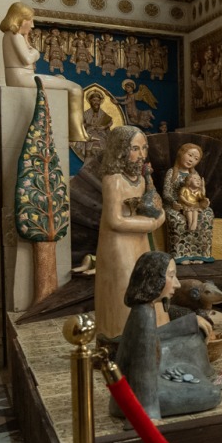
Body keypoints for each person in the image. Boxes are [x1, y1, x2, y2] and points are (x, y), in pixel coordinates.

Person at [110, 252, 221, 421]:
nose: (177, 284)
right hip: (134, 402)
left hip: (129, 395)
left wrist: (190, 323)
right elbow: (143, 377)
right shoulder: (144, 315)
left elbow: (151, 338)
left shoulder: (143, 309)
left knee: (192, 342)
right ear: (155, 279)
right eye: (171, 276)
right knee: (213, 393)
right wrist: (149, 418)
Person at [94, 126, 166, 339]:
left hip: (140, 241)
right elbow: (114, 220)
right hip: (117, 245)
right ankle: (118, 337)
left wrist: (159, 216)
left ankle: (147, 335)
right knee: (124, 286)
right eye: (135, 148)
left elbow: (151, 208)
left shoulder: (142, 180)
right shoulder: (114, 180)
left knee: (146, 284)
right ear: (120, 150)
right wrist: (150, 224)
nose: (142, 155)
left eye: (144, 148)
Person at [0, 2, 87, 142]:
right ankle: (76, 133)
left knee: (60, 78)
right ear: (21, 20)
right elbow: (27, 59)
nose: (32, 25)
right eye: (30, 21)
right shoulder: (15, 36)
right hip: (22, 78)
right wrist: (36, 52)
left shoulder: (14, 36)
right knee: (76, 88)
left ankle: (68, 127)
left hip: (22, 76)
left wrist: (27, 40)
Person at [162, 143, 215, 263]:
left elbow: (199, 193)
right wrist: (173, 202)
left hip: (193, 205)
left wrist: (203, 201)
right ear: (181, 154)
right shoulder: (172, 172)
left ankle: (200, 254)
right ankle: (180, 255)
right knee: (177, 220)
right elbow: (166, 193)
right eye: (190, 155)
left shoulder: (195, 175)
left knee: (207, 215)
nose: (191, 160)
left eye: (196, 158)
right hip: (175, 205)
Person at [81, 90, 113, 165]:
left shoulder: (103, 114)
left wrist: (104, 127)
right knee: (89, 153)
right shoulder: (86, 114)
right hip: (90, 135)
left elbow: (110, 122)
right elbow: (81, 125)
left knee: (102, 154)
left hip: (101, 136)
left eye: (98, 101)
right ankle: (87, 168)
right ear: (90, 101)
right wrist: (89, 126)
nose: (96, 102)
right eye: (94, 100)